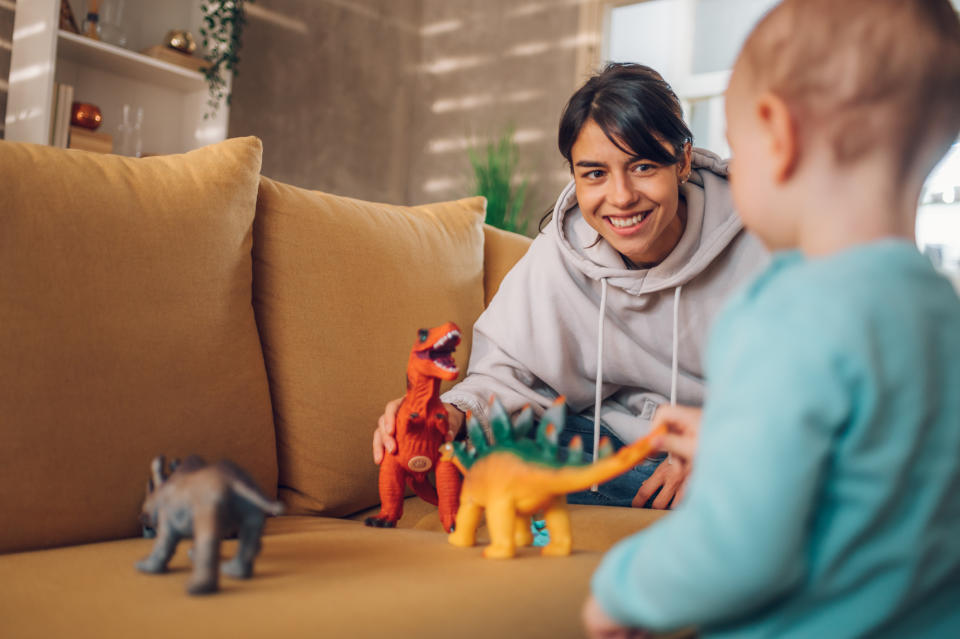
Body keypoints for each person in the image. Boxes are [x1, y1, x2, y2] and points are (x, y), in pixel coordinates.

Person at [584, 0, 960, 636]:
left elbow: (740, 547)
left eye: (734, 147)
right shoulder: (939, 311)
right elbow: (883, 466)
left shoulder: (785, 310)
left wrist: (623, 590)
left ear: (776, 135)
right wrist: (734, 440)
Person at [373, 63, 767, 509]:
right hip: (616, 445)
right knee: (482, 450)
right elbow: (508, 374)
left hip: (734, 447)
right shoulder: (563, 253)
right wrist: (448, 416)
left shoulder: (767, 235)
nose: (620, 197)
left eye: (642, 166)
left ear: (683, 162)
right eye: (594, 173)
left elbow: (820, 384)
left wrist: (725, 445)